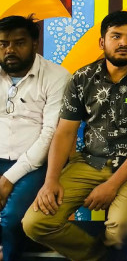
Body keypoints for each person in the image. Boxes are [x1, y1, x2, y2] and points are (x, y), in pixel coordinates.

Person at [22, 11, 127, 261]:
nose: (124, 43)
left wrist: (111, 186)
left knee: (123, 228)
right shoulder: (82, 78)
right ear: (102, 41)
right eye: (116, 36)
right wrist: (51, 181)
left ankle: (109, 249)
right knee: (35, 223)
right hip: (89, 161)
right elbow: (65, 131)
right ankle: (99, 256)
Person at [0, 16, 70, 261]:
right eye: (3, 44)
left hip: (34, 163)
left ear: (35, 44)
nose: (10, 50)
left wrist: (8, 178)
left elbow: (50, 133)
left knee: (11, 219)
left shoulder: (57, 76)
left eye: (19, 43)